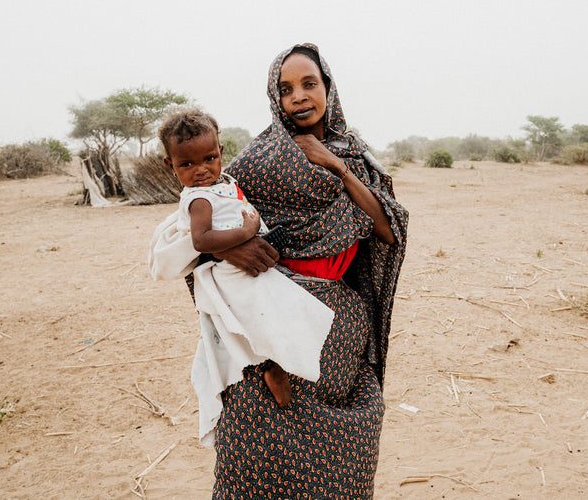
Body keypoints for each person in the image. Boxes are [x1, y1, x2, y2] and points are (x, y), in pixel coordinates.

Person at [149, 44, 408, 498]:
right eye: (286, 89)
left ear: (328, 86)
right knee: (255, 446)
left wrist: (334, 166)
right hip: (270, 327)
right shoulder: (257, 160)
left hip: (340, 330)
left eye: (309, 84)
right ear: (275, 96)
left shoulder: (356, 155)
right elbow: (205, 226)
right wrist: (232, 251)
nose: (299, 97)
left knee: (343, 453)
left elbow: (387, 231)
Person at [151, 109, 335, 447]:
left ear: (221, 151)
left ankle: (280, 363)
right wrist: (247, 230)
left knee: (280, 313)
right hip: (230, 273)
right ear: (170, 166)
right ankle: (273, 367)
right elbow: (201, 241)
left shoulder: (225, 183)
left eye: (209, 158)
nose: (202, 170)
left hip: (250, 264)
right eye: (187, 165)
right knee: (260, 319)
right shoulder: (198, 199)